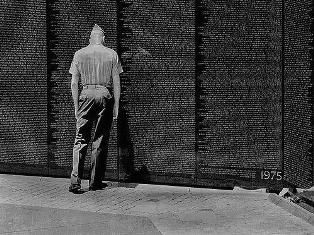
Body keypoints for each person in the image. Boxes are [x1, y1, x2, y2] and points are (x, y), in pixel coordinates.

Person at [68, 24, 122, 193]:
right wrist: (117, 105)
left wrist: (77, 106)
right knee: (99, 140)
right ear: (103, 39)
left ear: (90, 38)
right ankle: (94, 182)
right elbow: (116, 82)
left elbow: (74, 83)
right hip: (104, 95)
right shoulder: (112, 54)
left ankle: (75, 182)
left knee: (80, 140)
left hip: (85, 94)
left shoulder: (79, 54)